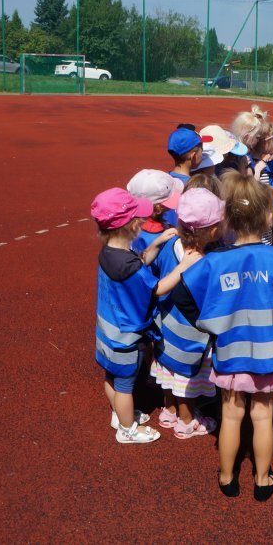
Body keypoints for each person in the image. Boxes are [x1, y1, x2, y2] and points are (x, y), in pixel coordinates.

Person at [168, 172, 273, 502]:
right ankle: (263, 478)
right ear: (267, 217)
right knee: (263, 414)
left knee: (230, 415)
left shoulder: (214, 262)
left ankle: (227, 478)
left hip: (229, 350)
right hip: (271, 348)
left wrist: (209, 323)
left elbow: (182, 295)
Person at [90, 187, 180, 443]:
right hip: (126, 337)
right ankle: (128, 430)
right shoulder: (130, 268)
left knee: (112, 375)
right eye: (137, 218)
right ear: (128, 226)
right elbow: (157, 288)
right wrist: (184, 267)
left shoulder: (110, 252)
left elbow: (140, 260)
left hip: (108, 331)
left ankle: (120, 414)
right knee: (125, 384)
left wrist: (158, 242)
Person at [151, 188, 223, 439]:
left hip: (165, 325)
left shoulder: (169, 244)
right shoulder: (204, 261)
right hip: (190, 334)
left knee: (169, 369)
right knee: (185, 378)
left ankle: (169, 411)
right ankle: (186, 420)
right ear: (211, 231)